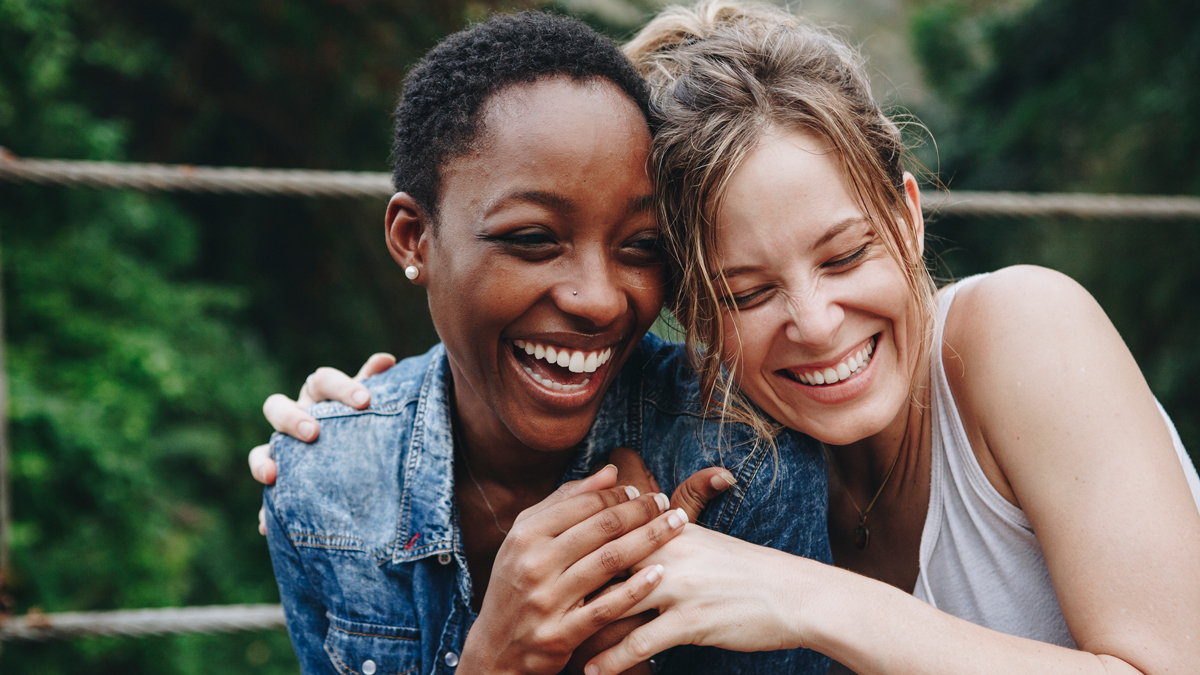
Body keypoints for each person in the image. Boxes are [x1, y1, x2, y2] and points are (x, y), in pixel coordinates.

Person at [263, 3, 1200, 674]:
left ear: (908, 217)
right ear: (689, 310)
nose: (817, 321)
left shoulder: (1021, 331)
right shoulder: (733, 447)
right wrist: (363, 436)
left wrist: (809, 597)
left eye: (844, 256)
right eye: (745, 291)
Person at [257, 11, 831, 675]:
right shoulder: (323, 486)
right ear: (414, 238)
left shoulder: (743, 458)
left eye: (640, 247)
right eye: (533, 239)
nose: (599, 299)